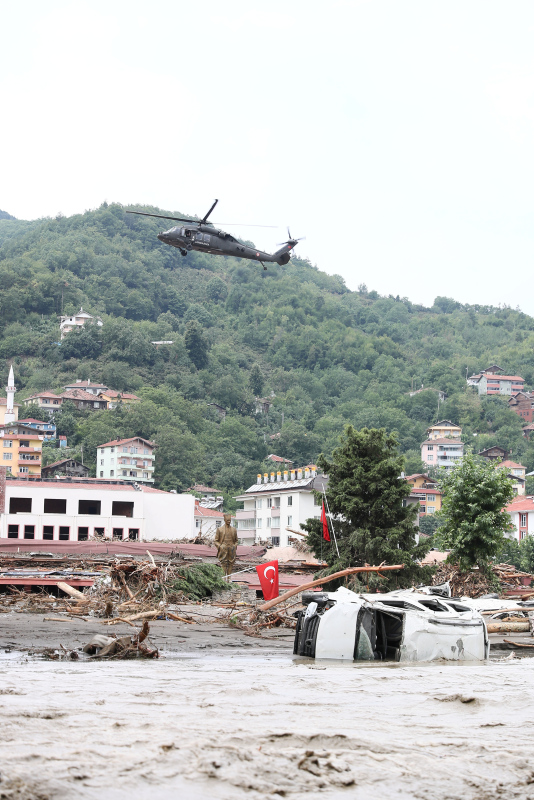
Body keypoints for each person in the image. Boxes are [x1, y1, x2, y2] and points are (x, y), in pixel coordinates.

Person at [214, 513, 238, 578]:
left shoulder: (234, 530)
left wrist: (234, 546)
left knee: (231, 564)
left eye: (230, 520)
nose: (229, 522)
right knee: (223, 563)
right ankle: (223, 578)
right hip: (223, 549)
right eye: (227, 520)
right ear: (224, 520)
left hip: (231, 549)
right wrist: (220, 546)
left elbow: (236, 541)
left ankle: (229, 578)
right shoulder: (220, 529)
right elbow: (216, 541)